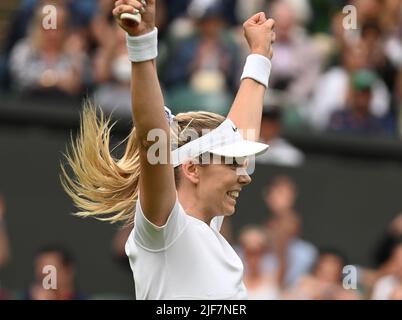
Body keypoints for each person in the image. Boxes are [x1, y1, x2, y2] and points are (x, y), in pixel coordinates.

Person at [61, 0, 275, 300]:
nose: (246, 176)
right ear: (191, 169)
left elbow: (244, 131)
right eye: (231, 164)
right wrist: (141, 42)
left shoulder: (205, 226)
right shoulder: (165, 228)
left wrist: (259, 56)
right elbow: (153, 136)